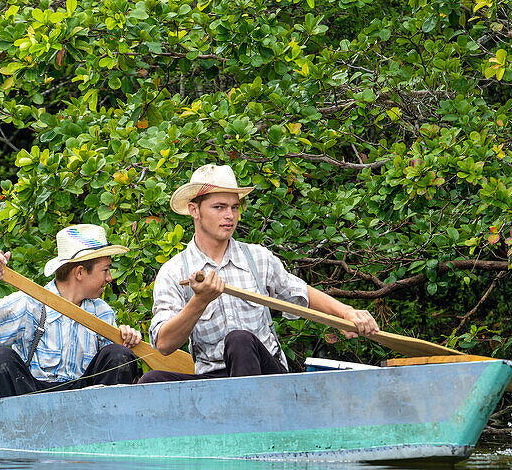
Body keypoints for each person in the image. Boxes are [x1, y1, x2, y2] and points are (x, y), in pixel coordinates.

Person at [140, 163, 378, 383]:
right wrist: (199, 301)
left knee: (239, 340)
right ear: (194, 210)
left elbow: (301, 293)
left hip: (266, 377)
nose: (230, 216)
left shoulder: (257, 257)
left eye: (234, 207)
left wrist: (347, 313)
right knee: (149, 382)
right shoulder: (173, 271)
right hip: (215, 381)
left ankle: (251, 426)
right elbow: (163, 344)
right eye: (219, 207)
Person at [0, 223, 143, 397]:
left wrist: (127, 339)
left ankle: (103, 423)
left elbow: (113, 365)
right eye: (105, 270)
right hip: (32, 397)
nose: (110, 277)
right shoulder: (30, 304)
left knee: (120, 354)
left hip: (89, 401)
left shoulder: (102, 312)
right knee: (0, 358)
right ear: (80, 272)